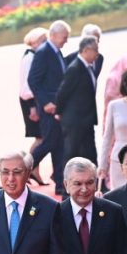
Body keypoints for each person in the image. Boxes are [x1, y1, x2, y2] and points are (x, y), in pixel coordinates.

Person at [28, 20, 71, 196]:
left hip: (58, 106)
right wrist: (45, 102)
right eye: (64, 37)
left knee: (59, 144)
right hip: (48, 108)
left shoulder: (56, 51)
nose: (66, 40)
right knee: (50, 142)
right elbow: (33, 80)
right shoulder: (44, 52)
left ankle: (60, 183)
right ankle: (25, 167)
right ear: (53, 35)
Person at [55, 36, 100, 165]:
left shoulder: (88, 67)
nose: (97, 54)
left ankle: (95, 177)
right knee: (71, 153)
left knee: (90, 154)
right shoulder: (75, 68)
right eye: (95, 50)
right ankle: (66, 178)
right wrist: (59, 112)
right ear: (86, 50)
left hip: (86, 119)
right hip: (74, 120)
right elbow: (62, 93)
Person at [19, 28, 48, 170]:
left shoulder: (36, 56)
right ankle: (30, 167)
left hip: (35, 101)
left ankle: (33, 169)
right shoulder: (29, 58)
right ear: (34, 42)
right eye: (43, 40)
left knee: (42, 137)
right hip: (30, 102)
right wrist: (32, 107)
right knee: (41, 137)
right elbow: (26, 86)